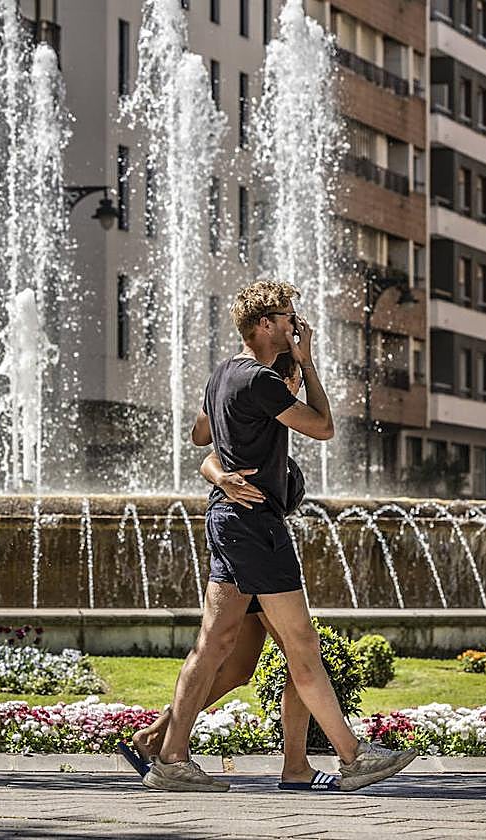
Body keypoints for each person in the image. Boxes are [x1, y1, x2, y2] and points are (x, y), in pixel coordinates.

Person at [141, 280, 417, 793]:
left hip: (231, 520)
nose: (296, 325)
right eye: (289, 317)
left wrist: (220, 470)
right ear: (266, 324)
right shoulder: (259, 380)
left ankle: (173, 754)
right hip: (256, 527)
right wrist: (307, 364)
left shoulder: (224, 373)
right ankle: (353, 757)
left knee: (220, 645)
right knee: (300, 642)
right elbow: (323, 426)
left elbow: (203, 435)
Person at [120, 354, 337, 790]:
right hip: (252, 543)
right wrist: (223, 478)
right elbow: (209, 449)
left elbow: (204, 440)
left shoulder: (259, 410)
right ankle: (297, 766)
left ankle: (157, 736)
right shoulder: (259, 396)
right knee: (300, 656)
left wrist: (220, 472)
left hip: (248, 544)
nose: (293, 384)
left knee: (238, 667)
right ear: (286, 378)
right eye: (292, 377)